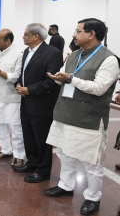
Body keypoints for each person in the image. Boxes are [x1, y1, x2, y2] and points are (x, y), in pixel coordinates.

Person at [44, 18, 119, 216]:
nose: (73, 35)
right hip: (66, 112)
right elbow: (65, 75)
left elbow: (99, 88)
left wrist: (71, 78)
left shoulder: (109, 59)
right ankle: (65, 186)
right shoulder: (75, 54)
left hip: (89, 118)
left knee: (91, 162)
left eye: (77, 31)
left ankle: (93, 197)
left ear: (91, 34)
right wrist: (59, 78)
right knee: (65, 154)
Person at [13, 23, 63, 183]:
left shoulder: (52, 53)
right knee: (28, 134)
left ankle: (42, 170)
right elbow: (24, 73)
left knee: (41, 137)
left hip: (42, 103)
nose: (23, 37)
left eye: (26, 34)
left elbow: (52, 81)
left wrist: (30, 90)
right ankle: (32, 162)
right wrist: (19, 85)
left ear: (36, 36)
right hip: (26, 102)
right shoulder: (27, 51)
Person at [0, 29, 25, 166]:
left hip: (10, 97)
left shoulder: (18, 54)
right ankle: (6, 149)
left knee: (15, 128)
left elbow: (17, 76)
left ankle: (19, 155)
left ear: (7, 41)